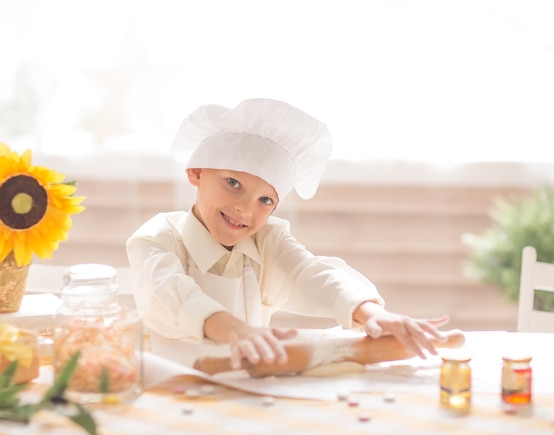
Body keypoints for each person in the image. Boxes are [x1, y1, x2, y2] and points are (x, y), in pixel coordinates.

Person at [126, 98, 451, 369]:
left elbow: (312, 274)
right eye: (233, 183)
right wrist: (237, 330)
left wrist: (373, 315)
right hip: (172, 391)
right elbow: (168, 292)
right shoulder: (156, 239)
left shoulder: (267, 241)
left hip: (245, 391)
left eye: (265, 200)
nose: (245, 210)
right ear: (196, 173)